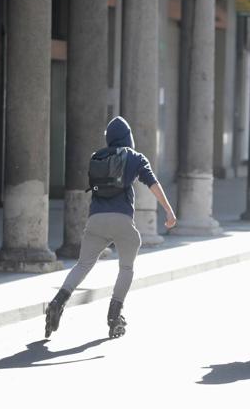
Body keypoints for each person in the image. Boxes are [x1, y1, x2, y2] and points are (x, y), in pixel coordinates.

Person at [45, 116, 177, 339]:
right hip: (122, 221)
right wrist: (169, 211)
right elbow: (153, 183)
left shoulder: (96, 157)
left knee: (83, 264)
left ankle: (57, 302)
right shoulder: (134, 157)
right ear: (128, 138)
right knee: (126, 267)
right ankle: (114, 316)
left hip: (95, 220)